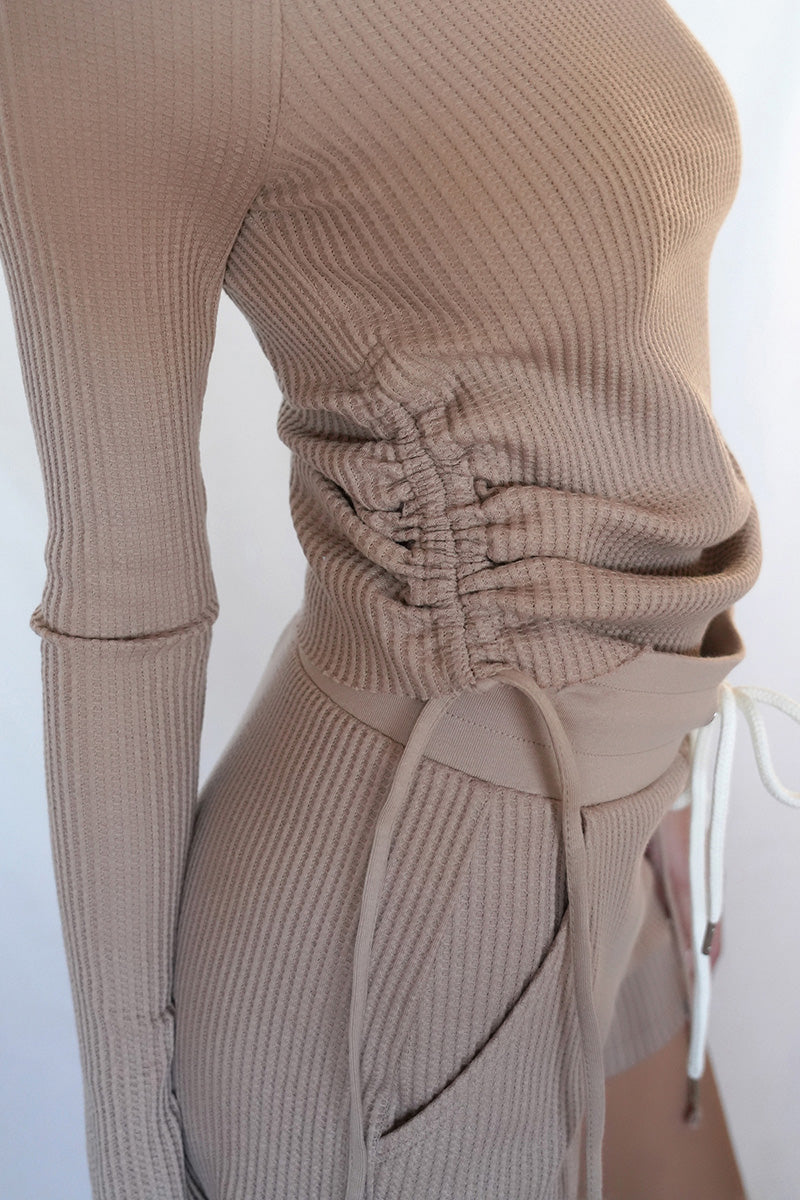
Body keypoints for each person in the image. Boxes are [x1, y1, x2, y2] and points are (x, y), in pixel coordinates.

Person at [1, 3, 795, 1198]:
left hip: (611, 835)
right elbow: (123, 606)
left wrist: (661, 779)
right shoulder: (102, 30)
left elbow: (608, 336)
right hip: (392, 931)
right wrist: (131, 1147)